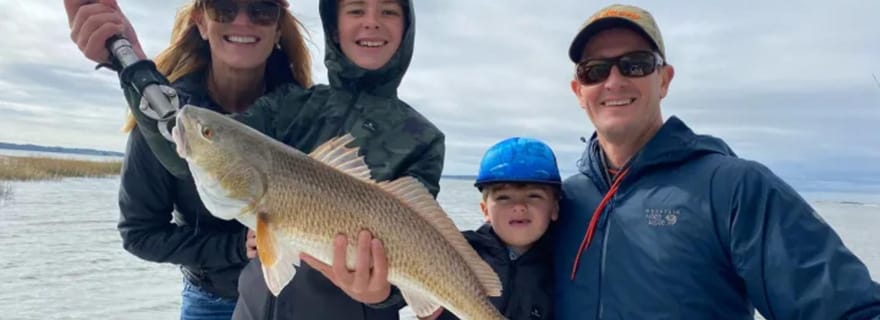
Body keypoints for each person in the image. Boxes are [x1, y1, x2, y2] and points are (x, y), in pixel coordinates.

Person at [554, 3, 880, 319]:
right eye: (594, 71)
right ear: (578, 91)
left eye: (635, 64)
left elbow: (850, 310)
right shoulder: (559, 201)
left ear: (664, 79)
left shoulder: (734, 189)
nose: (613, 82)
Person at [64, 0, 313, 318]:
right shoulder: (167, 120)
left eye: (262, 10)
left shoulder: (309, 113)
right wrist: (235, 248)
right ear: (201, 22)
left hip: (297, 301)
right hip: (212, 301)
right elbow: (140, 234)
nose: (242, 21)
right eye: (223, 8)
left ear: (278, 26)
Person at [231, 0, 448, 319]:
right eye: (356, 10)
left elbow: (418, 255)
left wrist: (382, 296)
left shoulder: (423, 137)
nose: (372, 22)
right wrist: (134, 69)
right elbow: (205, 153)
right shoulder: (290, 104)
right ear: (334, 26)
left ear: (407, 29)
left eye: (388, 11)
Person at [424, 137, 558, 320]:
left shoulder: (565, 265)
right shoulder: (453, 251)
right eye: (504, 198)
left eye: (533, 196)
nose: (519, 206)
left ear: (555, 208)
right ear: (485, 210)